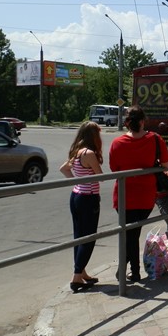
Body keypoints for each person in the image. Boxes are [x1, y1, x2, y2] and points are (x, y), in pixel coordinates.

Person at [109, 106, 168, 282]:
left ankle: (129, 270)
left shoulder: (117, 143)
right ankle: (131, 271)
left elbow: (114, 169)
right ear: (143, 121)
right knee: (133, 233)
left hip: (123, 196)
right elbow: (166, 164)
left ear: (127, 123)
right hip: (145, 196)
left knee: (130, 233)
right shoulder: (155, 139)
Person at [59, 121, 103, 293]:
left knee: (79, 235)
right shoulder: (89, 153)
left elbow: (64, 169)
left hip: (76, 195)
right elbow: (99, 176)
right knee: (89, 237)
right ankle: (76, 277)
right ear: (93, 136)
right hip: (89, 198)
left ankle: (81, 270)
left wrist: (77, 182)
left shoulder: (76, 151)